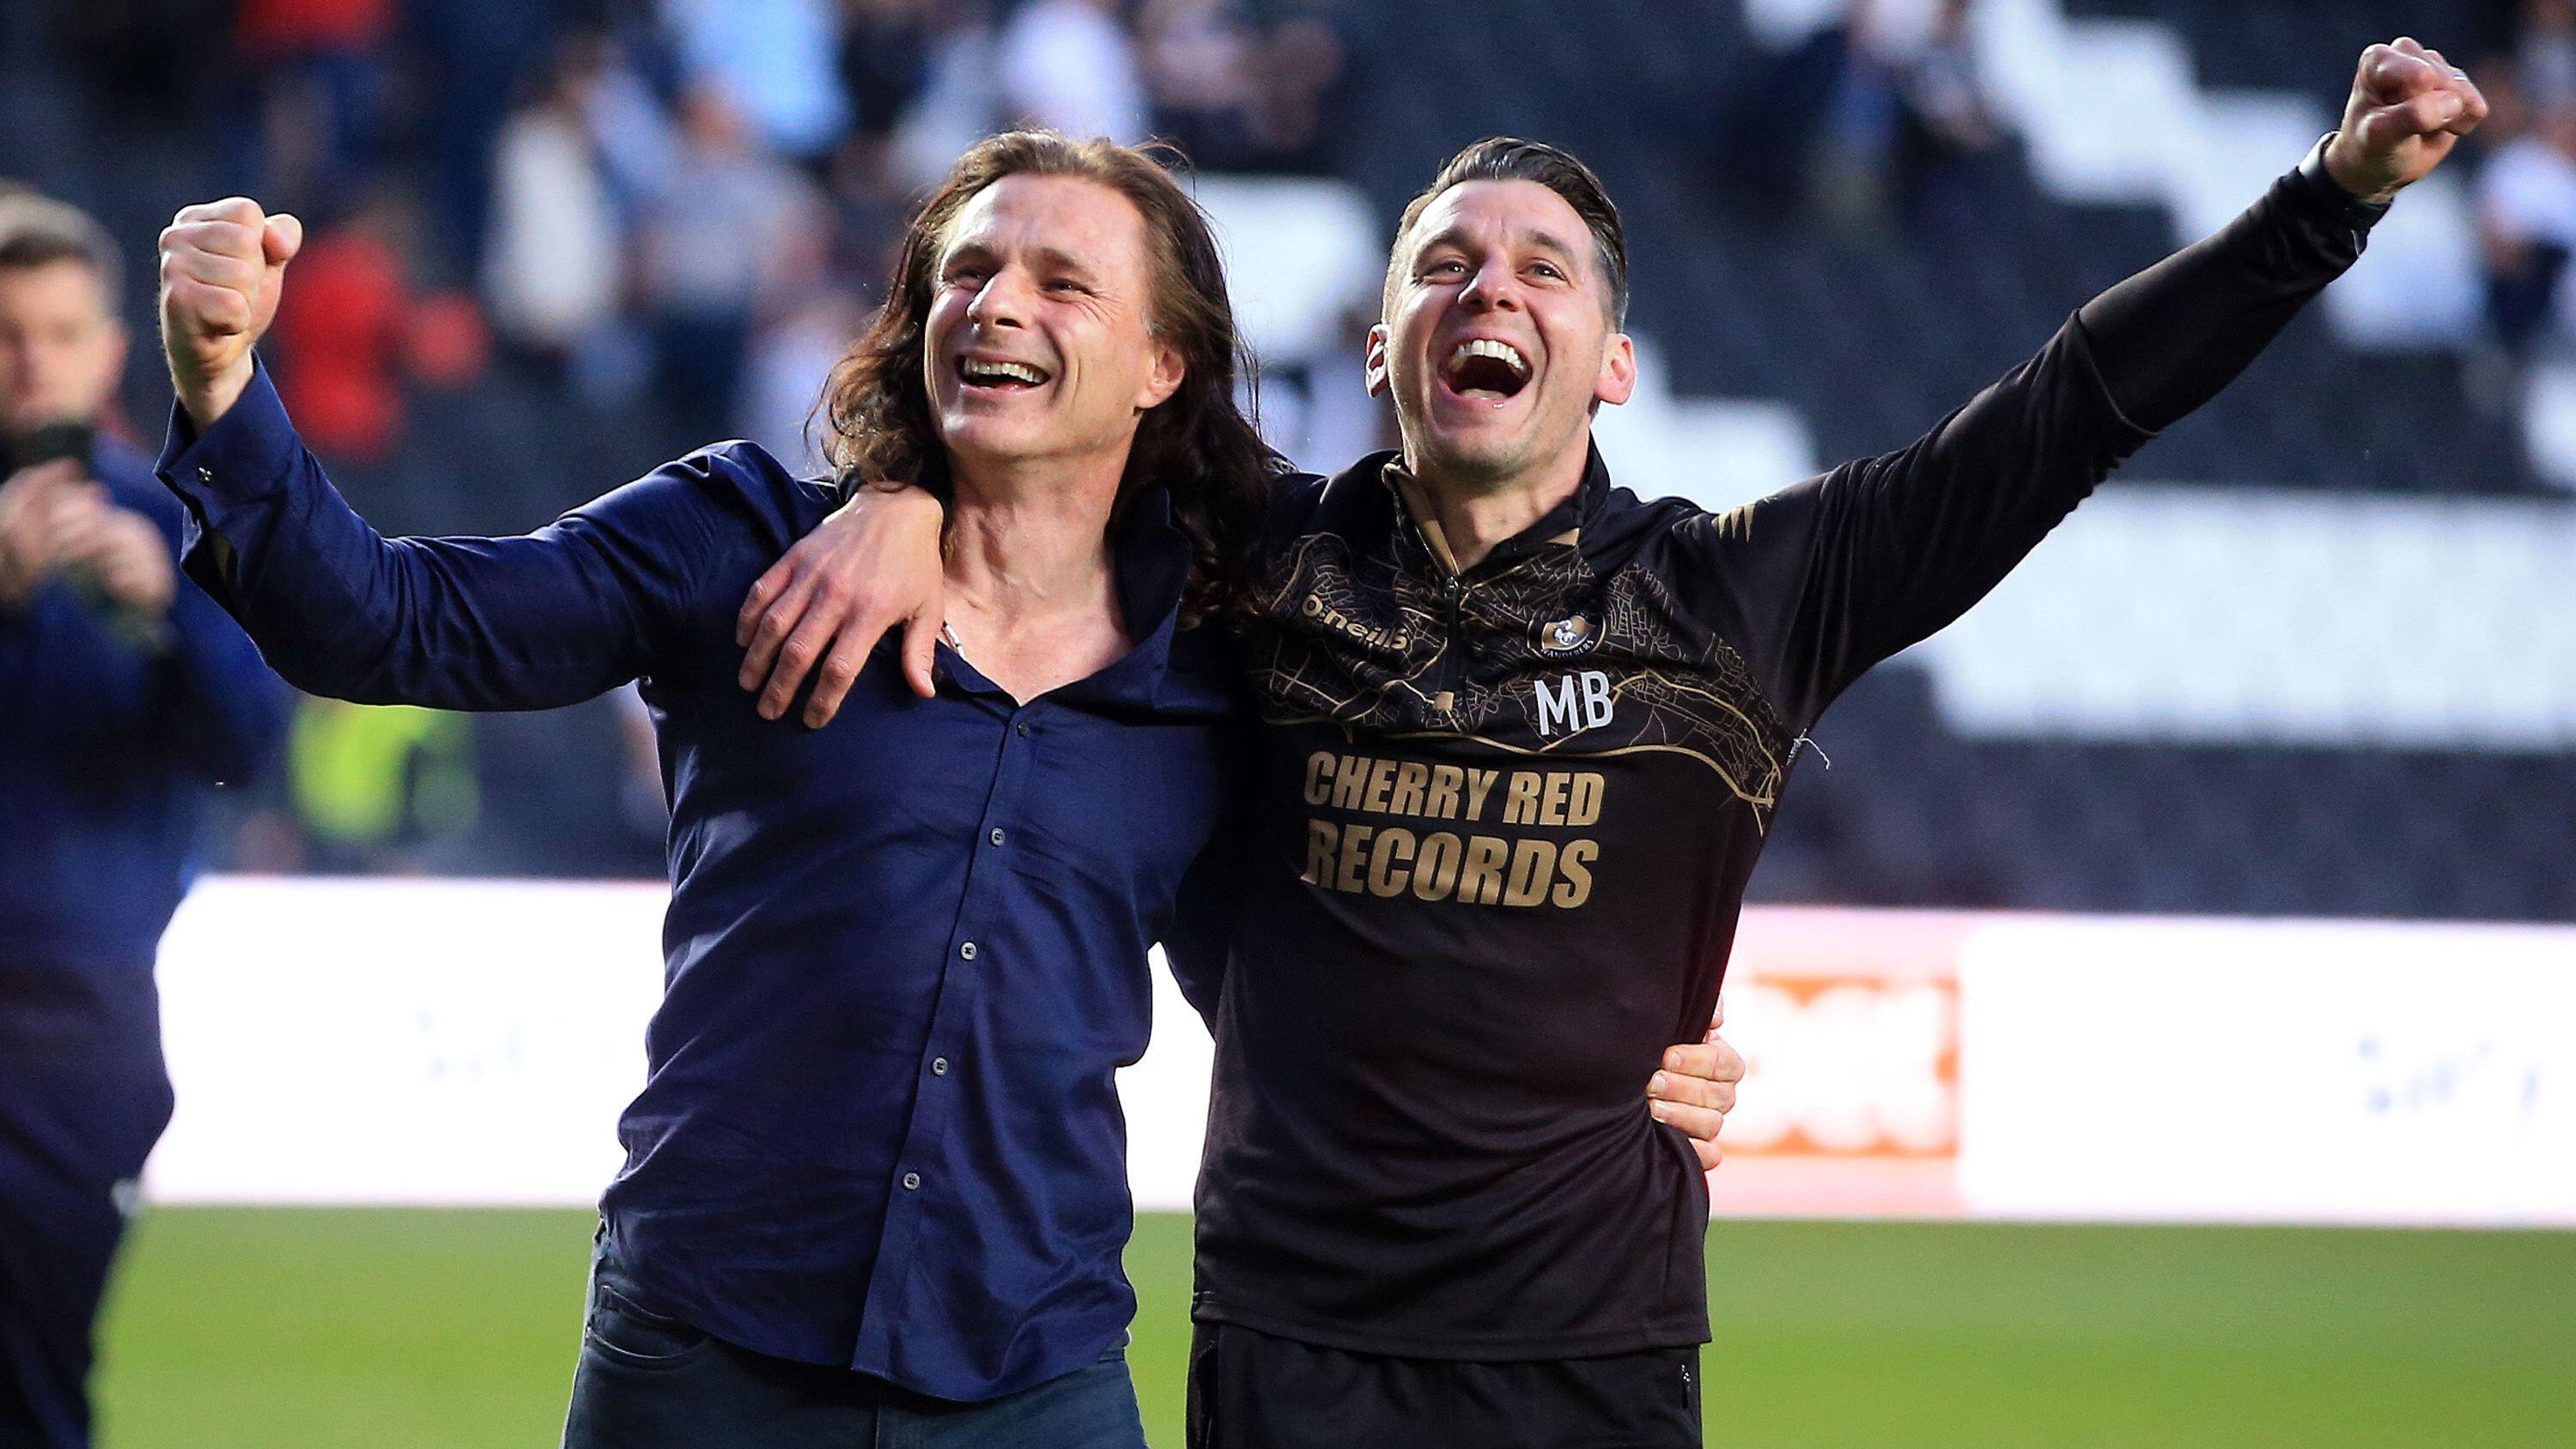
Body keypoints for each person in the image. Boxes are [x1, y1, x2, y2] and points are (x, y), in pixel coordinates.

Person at [734, 37, 2488, 1449]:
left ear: (1613, 360)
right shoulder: (1251, 560)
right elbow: (1020, 433)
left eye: (1540, 268)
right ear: (1382, 344)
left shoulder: (1740, 600)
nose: (1486, 289)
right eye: (1444, 263)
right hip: (1292, 1350)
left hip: (1592, 1360)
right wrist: (894, 488)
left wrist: (2326, 200)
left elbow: (2064, 417)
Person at [149, 130, 1737, 1446]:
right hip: (707, 1351)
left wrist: (1607, 1060)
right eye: (968, 271)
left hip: (1030, 1373)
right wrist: (225, 384)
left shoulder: (1235, 644)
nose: (999, 305)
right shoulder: (739, 539)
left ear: (1163, 361)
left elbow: (1336, 957)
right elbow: (391, 621)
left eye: (1062, 281)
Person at [0, 195, 289, 1449]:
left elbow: (247, 749)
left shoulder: (172, 522)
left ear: (111, 350)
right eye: (6, 334)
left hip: (73, 1022)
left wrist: (170, 616)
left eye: (58, 333)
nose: (32, 363)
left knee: (32, 1383)